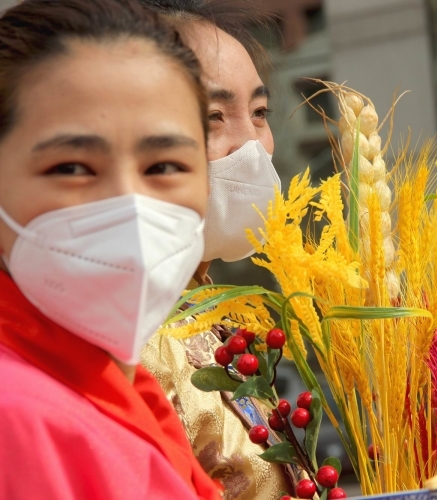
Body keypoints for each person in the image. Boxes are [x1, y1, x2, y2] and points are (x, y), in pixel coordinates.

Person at [0, 0, 220, 498]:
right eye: (71, 168)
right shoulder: (19, 421)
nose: (130, 206)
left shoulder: (123, 390)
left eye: (164, 166)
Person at [137, 2, 299, 499]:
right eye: (214, 116)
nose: (251, 146)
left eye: (259, 113)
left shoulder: (207, 312)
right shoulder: (128, 340)